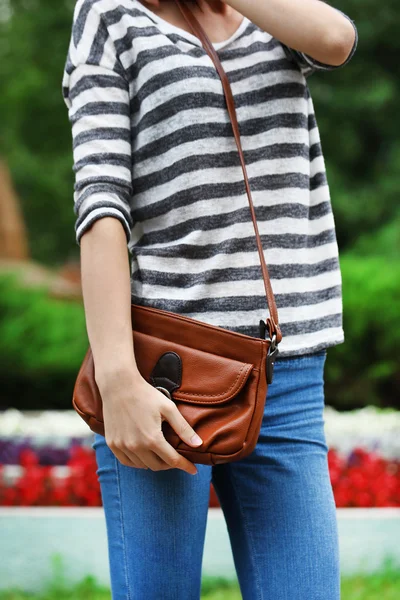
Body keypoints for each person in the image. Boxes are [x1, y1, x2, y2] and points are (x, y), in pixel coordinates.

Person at [62, 0, 357, 598]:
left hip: (287, 371)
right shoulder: (109, 15)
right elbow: (100, 207)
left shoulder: (271, 15)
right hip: (162, 376)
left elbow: (335, 38)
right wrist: (118, 379)